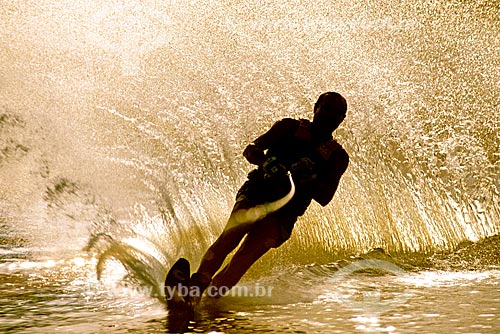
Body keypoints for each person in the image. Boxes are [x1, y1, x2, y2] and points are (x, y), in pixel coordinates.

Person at [188, 92, 349, 306]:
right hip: (257, 192)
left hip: (286, 212)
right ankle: (196, 286)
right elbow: (251, 150)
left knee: (243, 258)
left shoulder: (337, 157)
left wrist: (308, 178)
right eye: (326, 108)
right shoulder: (288, 127)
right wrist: (266, 162)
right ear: (315, 108)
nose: (330, 115)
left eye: (336, 112)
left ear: (342, 119)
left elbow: (325, 197)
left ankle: (208, 301)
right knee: (230, 236)